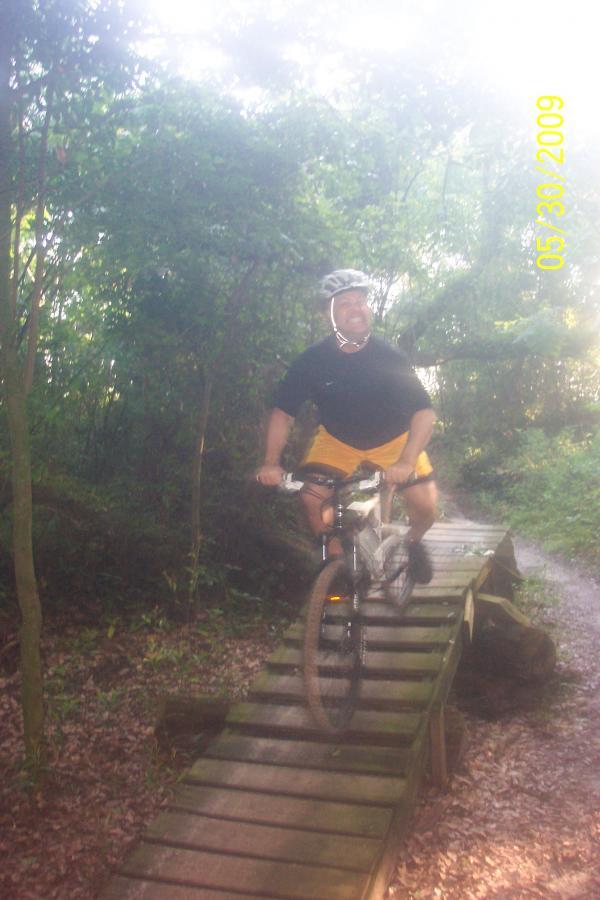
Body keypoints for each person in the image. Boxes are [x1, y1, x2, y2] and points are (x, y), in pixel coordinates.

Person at [256, 269, 437, 583]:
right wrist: (271, 463)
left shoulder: (388, 356)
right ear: (329, 314)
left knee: (425, 508)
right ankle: (337, 565)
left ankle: (414, 543)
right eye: (344, 304)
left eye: (361, 301)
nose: (356, 308)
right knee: (312, 496)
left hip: (394, 438)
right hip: (338, 440)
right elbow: (283, 414)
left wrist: (407, 460)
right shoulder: (312, 360)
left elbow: (424, 413)